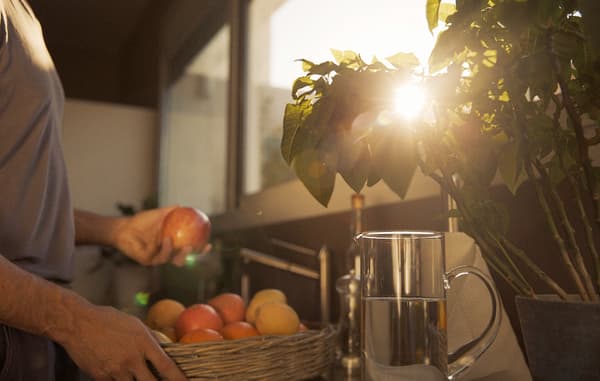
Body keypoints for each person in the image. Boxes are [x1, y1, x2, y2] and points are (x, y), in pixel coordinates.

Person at [0, 0, 191, 380]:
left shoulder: (20, 14)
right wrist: (73, 321)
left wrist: (116, 231)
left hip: (29, 331)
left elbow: (17, 202)